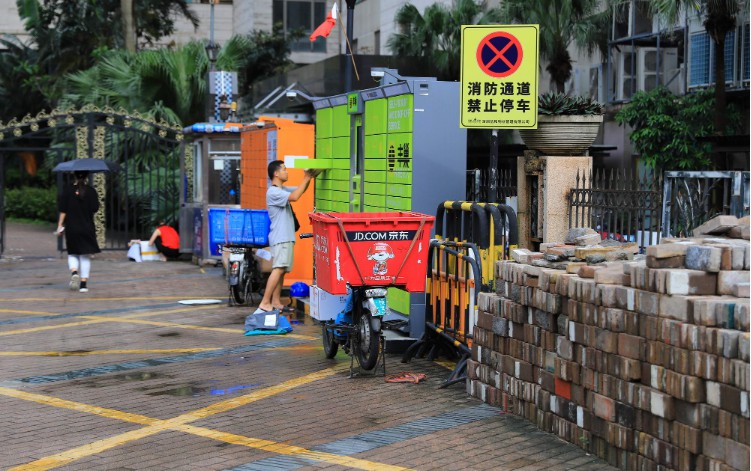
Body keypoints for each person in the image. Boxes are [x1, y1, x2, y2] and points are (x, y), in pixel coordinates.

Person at [256, 161, 317, 313]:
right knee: (278, 268)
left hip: (285, 236)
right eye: (284, 169)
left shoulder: (281, 189)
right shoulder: (274, 192)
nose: (287, 172)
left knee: (281, 270)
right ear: (276, 174)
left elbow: (298, 191)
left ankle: (276, 302)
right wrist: (306, 177)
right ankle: (265, 302)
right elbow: (295, 197)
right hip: (281, 237)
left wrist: (308, 178)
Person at [57, 171, 100, 293]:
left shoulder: (67, 191)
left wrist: (60, 225)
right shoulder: (91, 191)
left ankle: (74, 272)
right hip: (87, 228)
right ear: (87, 176)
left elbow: (63, 210)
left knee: (72, 253)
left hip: (72, 228)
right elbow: (95, 208)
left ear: (74, 176)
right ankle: (83, 285)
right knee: (85, 255)